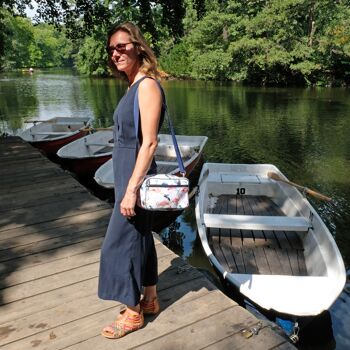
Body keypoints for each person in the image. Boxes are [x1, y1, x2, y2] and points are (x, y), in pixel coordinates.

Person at [98, 22, 165, 339]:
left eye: (121, 46)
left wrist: (130, 191)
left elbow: (149, 143)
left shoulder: (147, 86)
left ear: (138, 46)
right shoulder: (133, 86)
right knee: (140, 238)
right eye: (111, 49)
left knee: (118, 245)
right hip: (129, 173)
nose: (115, 53)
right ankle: (149, 299)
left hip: (135, 178)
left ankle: (133, 311)